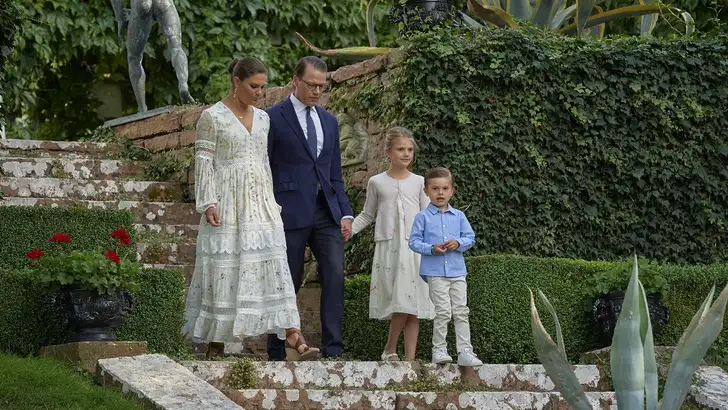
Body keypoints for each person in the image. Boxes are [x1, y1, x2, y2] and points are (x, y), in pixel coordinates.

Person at [184, 57, 318, 361]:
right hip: (226, 203)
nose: (260, 92)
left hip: (260, 203)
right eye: (254, 86)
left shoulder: (263, 119)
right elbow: (204, 163)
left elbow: (263, 163)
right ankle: (216, 343)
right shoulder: (212, 117)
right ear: (236, 82)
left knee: (275, 264)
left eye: (262, 86)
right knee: (225, 267)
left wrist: (271, 202)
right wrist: (208, 202)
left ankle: (293, 335)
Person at [266, 56, 353, 360]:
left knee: (335, 273)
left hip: (326, 211)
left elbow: (334, 174)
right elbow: (264, 168)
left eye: (322, 86)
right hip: (287, 210)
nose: (317, 91)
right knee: (286, 279)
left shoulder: (329, 121)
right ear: (295, 81)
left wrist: (345, 212)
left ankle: (333, 350)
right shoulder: (272, 117)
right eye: (312, 85)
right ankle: (277, 351)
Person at [350, 127, 434, 361]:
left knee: (413, 304)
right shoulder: (376, 182)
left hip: (415, 249)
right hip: (389, 248)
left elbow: (429, 215)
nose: (406, 154)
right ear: (388, 152)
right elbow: (367, 214)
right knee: (401, 301)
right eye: (400, 149)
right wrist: (348, 230)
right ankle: (389, 348)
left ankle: (408, 360)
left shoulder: (419, 182)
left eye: (410, 150)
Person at [408, 167, 483, 367]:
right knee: (442, 311)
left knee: (461, 311)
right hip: (434, 273)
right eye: (435, 189)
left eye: (444, 188)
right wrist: (431, 249)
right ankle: (439, 349)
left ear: (452, 191)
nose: (440, 193)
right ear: (426, 191)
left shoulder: (459, 216)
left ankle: (465, 351)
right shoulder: (422, 217)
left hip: (458, 271)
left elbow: (470, 238)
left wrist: (458, 243)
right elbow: (413, 242)